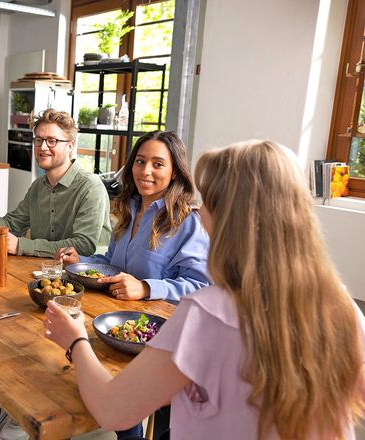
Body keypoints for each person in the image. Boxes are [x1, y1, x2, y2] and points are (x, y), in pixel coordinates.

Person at [44, 139, 365, 439]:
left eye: (208, 201)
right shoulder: (344, 306)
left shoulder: (207, 313)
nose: (198, 211)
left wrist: (75, 340)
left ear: (231, 219)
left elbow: (113, 411)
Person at [56, 131, 210, 303]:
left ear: (174, 172)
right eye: (140, 162)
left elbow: (200, 286)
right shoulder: (129, 209)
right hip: (115, 314)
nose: (145, 171)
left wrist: (146, 288)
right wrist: (80, 262)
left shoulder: (190, 221)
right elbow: (112, 265)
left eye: (158, 164)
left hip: (158, 324)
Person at [0, 108, 111, 258]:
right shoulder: (38, 186)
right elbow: (11, 223)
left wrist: (22, 245)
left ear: (70, 146)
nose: (42, 147)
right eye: (39, 140)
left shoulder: (90, 186)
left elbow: (83, 246)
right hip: (44, 270)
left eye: (52, 141)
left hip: (88, 276)